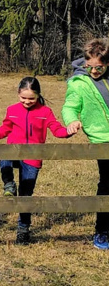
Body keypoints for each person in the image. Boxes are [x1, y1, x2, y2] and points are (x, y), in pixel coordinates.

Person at [0, 77, 75, 244]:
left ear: (38, 96)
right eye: (23, 98)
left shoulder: (45, 112)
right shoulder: (12, 110)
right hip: (14, 150)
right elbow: (5, 129)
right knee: (4, 153)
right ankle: (9, 184)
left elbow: (57, 130)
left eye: (31, 98)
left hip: (33, 157)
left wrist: (69, 131)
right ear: (18, 94)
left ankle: (23, 229)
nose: (27, 102)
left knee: (26, 196)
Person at [61, 38, 109, 250]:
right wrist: (71, 121)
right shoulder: (79, 84)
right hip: (102, 140)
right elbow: (69, 107)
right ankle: (102, 230)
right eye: (90, 66)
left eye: (99, 67)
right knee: (107, 185)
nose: (94, 71)